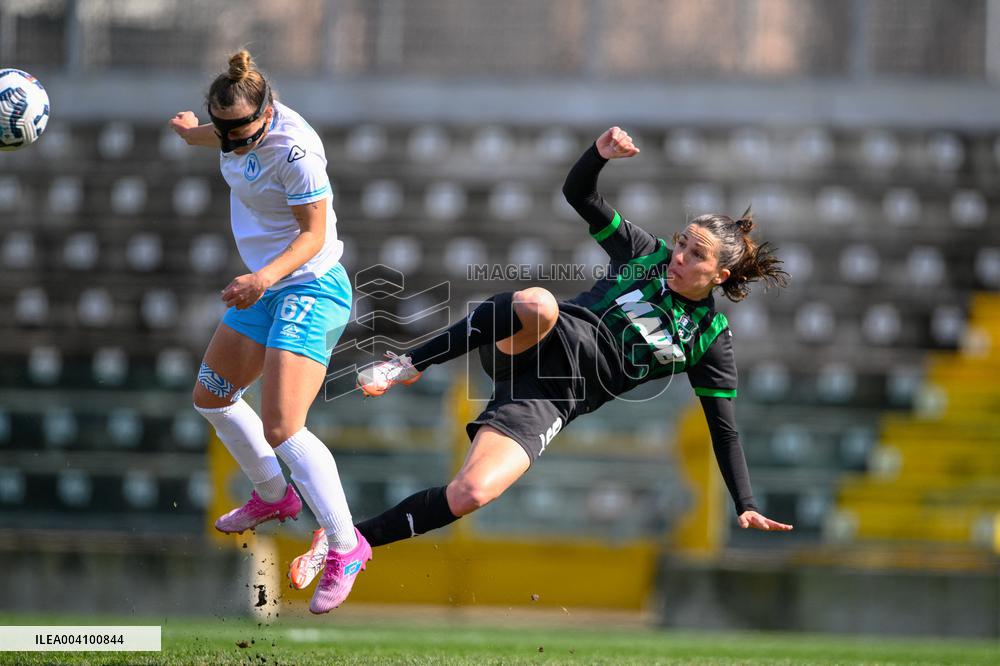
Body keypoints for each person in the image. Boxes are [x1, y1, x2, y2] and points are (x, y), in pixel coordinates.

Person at [290, 126, 793, 586]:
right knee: (538, 302)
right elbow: (580, 194)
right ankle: (409, 363)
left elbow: (723, 427)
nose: (680, 257)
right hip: (534, 341)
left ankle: (347, 544)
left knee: (471, 494)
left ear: (720, 276)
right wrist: (599, 154)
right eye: (682, 242)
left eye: (696, 255)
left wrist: (745, 503)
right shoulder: (647, 256)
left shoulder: (710, 337)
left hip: (551, 398)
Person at [169, 50, 369, 614]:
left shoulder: (296, 151)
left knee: (283, 425)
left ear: (269, 112)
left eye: (239, 130)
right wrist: (194, 135)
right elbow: (225, 134)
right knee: (212, 395)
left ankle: (345, 544)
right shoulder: (236, 130)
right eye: (222, 128)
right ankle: (274, 497)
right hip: (265, 286)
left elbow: (312, 235)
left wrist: (262, 278)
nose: (230, 140)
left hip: (308, 285)